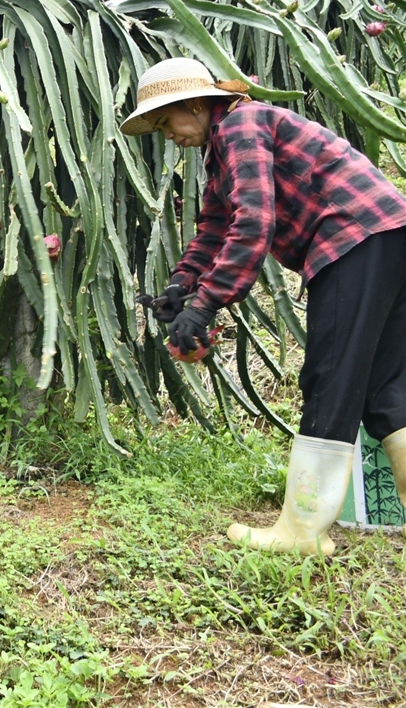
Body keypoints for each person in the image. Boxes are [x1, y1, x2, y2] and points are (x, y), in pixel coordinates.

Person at [123, 57, 406, 556]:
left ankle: (301, 530)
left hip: (353, 238)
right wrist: (181, 286)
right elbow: (216, 225)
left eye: (167, 122)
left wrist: (206, 305)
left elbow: (254, 222)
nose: (168, 136)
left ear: (193, 104)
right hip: (387, 234)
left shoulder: (240, 124)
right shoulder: (227, 145)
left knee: (330, 376)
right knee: (384, 388)